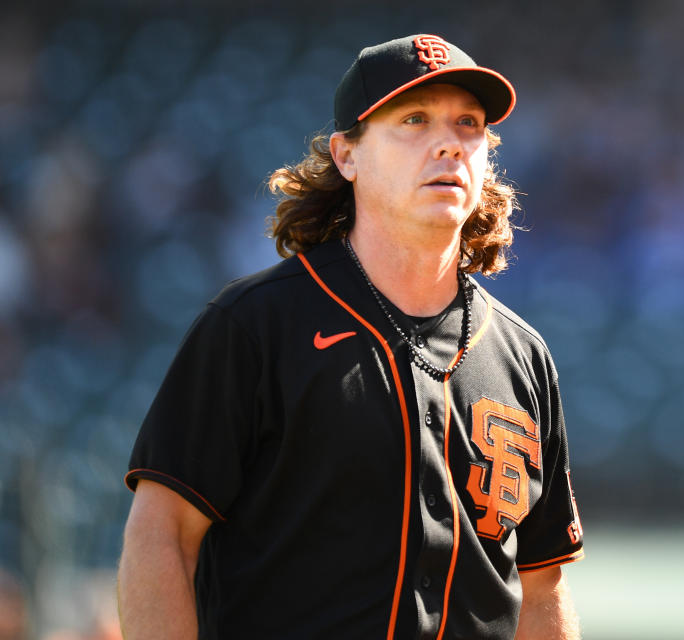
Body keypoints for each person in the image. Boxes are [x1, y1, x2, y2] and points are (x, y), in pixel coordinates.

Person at [117, 34, 584, 639]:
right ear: (347, 155)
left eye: (468, 124)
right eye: (414, 119)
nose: (449, 142)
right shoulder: (255, 325)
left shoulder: (522, 355)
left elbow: (542, 583)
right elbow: (160, 539)